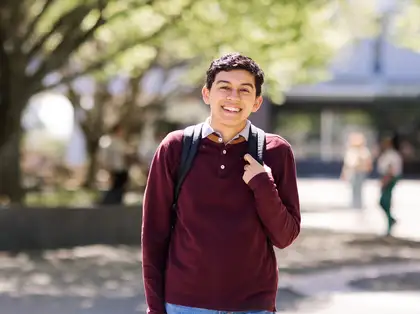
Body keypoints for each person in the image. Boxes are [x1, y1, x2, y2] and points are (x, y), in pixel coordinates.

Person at [141, 53, 301, 314]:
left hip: (253, 306)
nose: (233, 97)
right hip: (184, 304)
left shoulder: (275, 151)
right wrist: (155, 308)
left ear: (257, 102)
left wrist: (263, 183)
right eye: (224, 87)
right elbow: (153, 236)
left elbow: (285, 236)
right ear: (207, 94)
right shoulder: (176, 148)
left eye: (244, 90)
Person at [377, 136, 403, 235]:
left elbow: (390, 169)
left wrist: (385, 180)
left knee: (385, 201)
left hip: (389, 178)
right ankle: (390, 220)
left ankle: (390, 223)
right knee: (384, 201)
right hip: (387, 177)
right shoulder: (388, 154)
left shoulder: (391, 155)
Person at [340, 132, 373, 209]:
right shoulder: (350, 151)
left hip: (360, 172)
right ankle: (354, 204)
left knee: (359, 188)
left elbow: (368, 162)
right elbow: (347, 164)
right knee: (353, 188)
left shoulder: (364, 151)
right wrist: (344, 173)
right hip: (352, 172)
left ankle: (359, 204)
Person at [100, 123, 130, 205]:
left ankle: (117, 201)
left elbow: (126, 152)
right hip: (113, 168)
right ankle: (109, 202)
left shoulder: (120, 141)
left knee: (120, 186)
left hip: (121, 167)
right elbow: (104, 156)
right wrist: (107, 167)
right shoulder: (108, 141)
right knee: (114, 186)